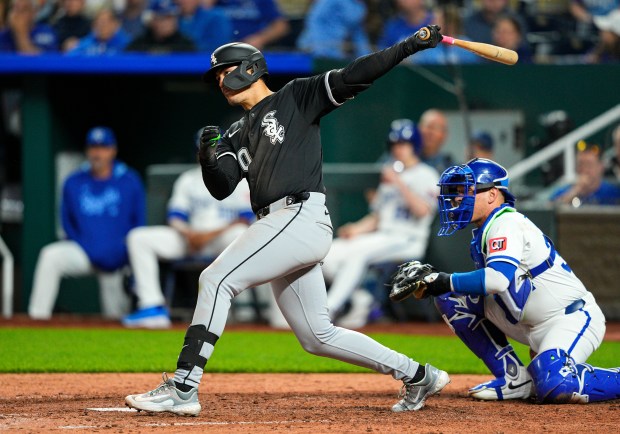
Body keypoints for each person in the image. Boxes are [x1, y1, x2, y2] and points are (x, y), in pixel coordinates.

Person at [125, 25, 451, 416]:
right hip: (279, 224)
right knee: (317, 336)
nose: (221, 81)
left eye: (224, 71)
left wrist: (409, 45)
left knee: (215, 279)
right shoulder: (235, 132)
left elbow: (356, 75)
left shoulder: (295, 97)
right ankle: (418, 374)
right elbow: (222, 188)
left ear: (248, 68)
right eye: (216, 77)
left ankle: (183, 387)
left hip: (299, 214)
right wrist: (208, 157)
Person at [390, 157, 620, 404]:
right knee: (451, 298)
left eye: (466, 191)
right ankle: (514, 378)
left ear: (492, 194)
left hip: (568, 318)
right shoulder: (485, 228)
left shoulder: (506, 222)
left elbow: (497, 280)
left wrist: (442, 280)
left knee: (556, 383)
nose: (457, 198)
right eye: (457, 192)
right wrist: (439, 285)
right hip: (528, 321)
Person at [122, 131, 253, 329]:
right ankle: (152, 306)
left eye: (214, 149)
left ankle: (246, 310)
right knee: (138, 238)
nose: (209, 154)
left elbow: (246, 219)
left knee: (244, 235)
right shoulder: (188, 179)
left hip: (223, 241)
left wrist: (207, 235)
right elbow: (175, 218)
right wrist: (188, 234)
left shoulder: (239, 178)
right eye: (203, 150)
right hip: (190, 239)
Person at [321, 119, 439, 327]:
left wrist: (399, 183)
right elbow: (378, 218)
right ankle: (360, 298)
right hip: (382, 236)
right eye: (395, 145)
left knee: (358, 255)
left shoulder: (427, 175)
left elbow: (422, 211)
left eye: (404, 144)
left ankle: (329, 310)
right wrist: (356, 229)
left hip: (408, 239)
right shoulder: (391, 174)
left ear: (415, 146)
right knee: (327, 254)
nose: (398, 149)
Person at [28, 126, 146, 320]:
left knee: (115, 317)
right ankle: (37, 319)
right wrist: (91, 250)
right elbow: (67, 223)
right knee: (50, 256)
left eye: (103, 147)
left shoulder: (129, 179)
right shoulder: (74, 181)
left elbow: (138, 224)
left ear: (113, 150)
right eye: (93, 147)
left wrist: (121, 255)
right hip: (85, 252)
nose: (97, 153)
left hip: (117, 258)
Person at [549, 140, 620, 206]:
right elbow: (548, 211)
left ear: (601, 167)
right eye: (580, 164)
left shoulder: (613, 192)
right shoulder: (565, 191)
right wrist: (575, 192)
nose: (584, 170)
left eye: (589, 165)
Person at [296, 0, 372, 60]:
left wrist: (366, 57)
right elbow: (315, 19)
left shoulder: (361, 7)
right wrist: (319, 47)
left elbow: (357, 32)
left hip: (336, 51)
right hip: (313, 49)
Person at [125, 0, 195, 54]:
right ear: (152, 20)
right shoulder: (139, 45)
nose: (166, 23)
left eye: (170, 17)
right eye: (162, 18)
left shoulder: (186, 46)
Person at [215, 0, 289, 50]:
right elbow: (205, 15)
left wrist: (260, 39)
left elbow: (281, 26)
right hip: (216, 49)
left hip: (254, 51)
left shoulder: (261, 1)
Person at [67, 7, 131, 55]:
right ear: (94, 25)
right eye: (99, 23)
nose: (102, 26)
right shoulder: (87, 43)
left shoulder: (125, 44)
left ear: (114, 25)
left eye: (106, 22)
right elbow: (71, 58)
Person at [418, 108, 453, 174]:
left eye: (436, 128)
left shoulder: (450, 168)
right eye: (428, 127)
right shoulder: (403, 160)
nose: (431, 133)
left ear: (444, 135)